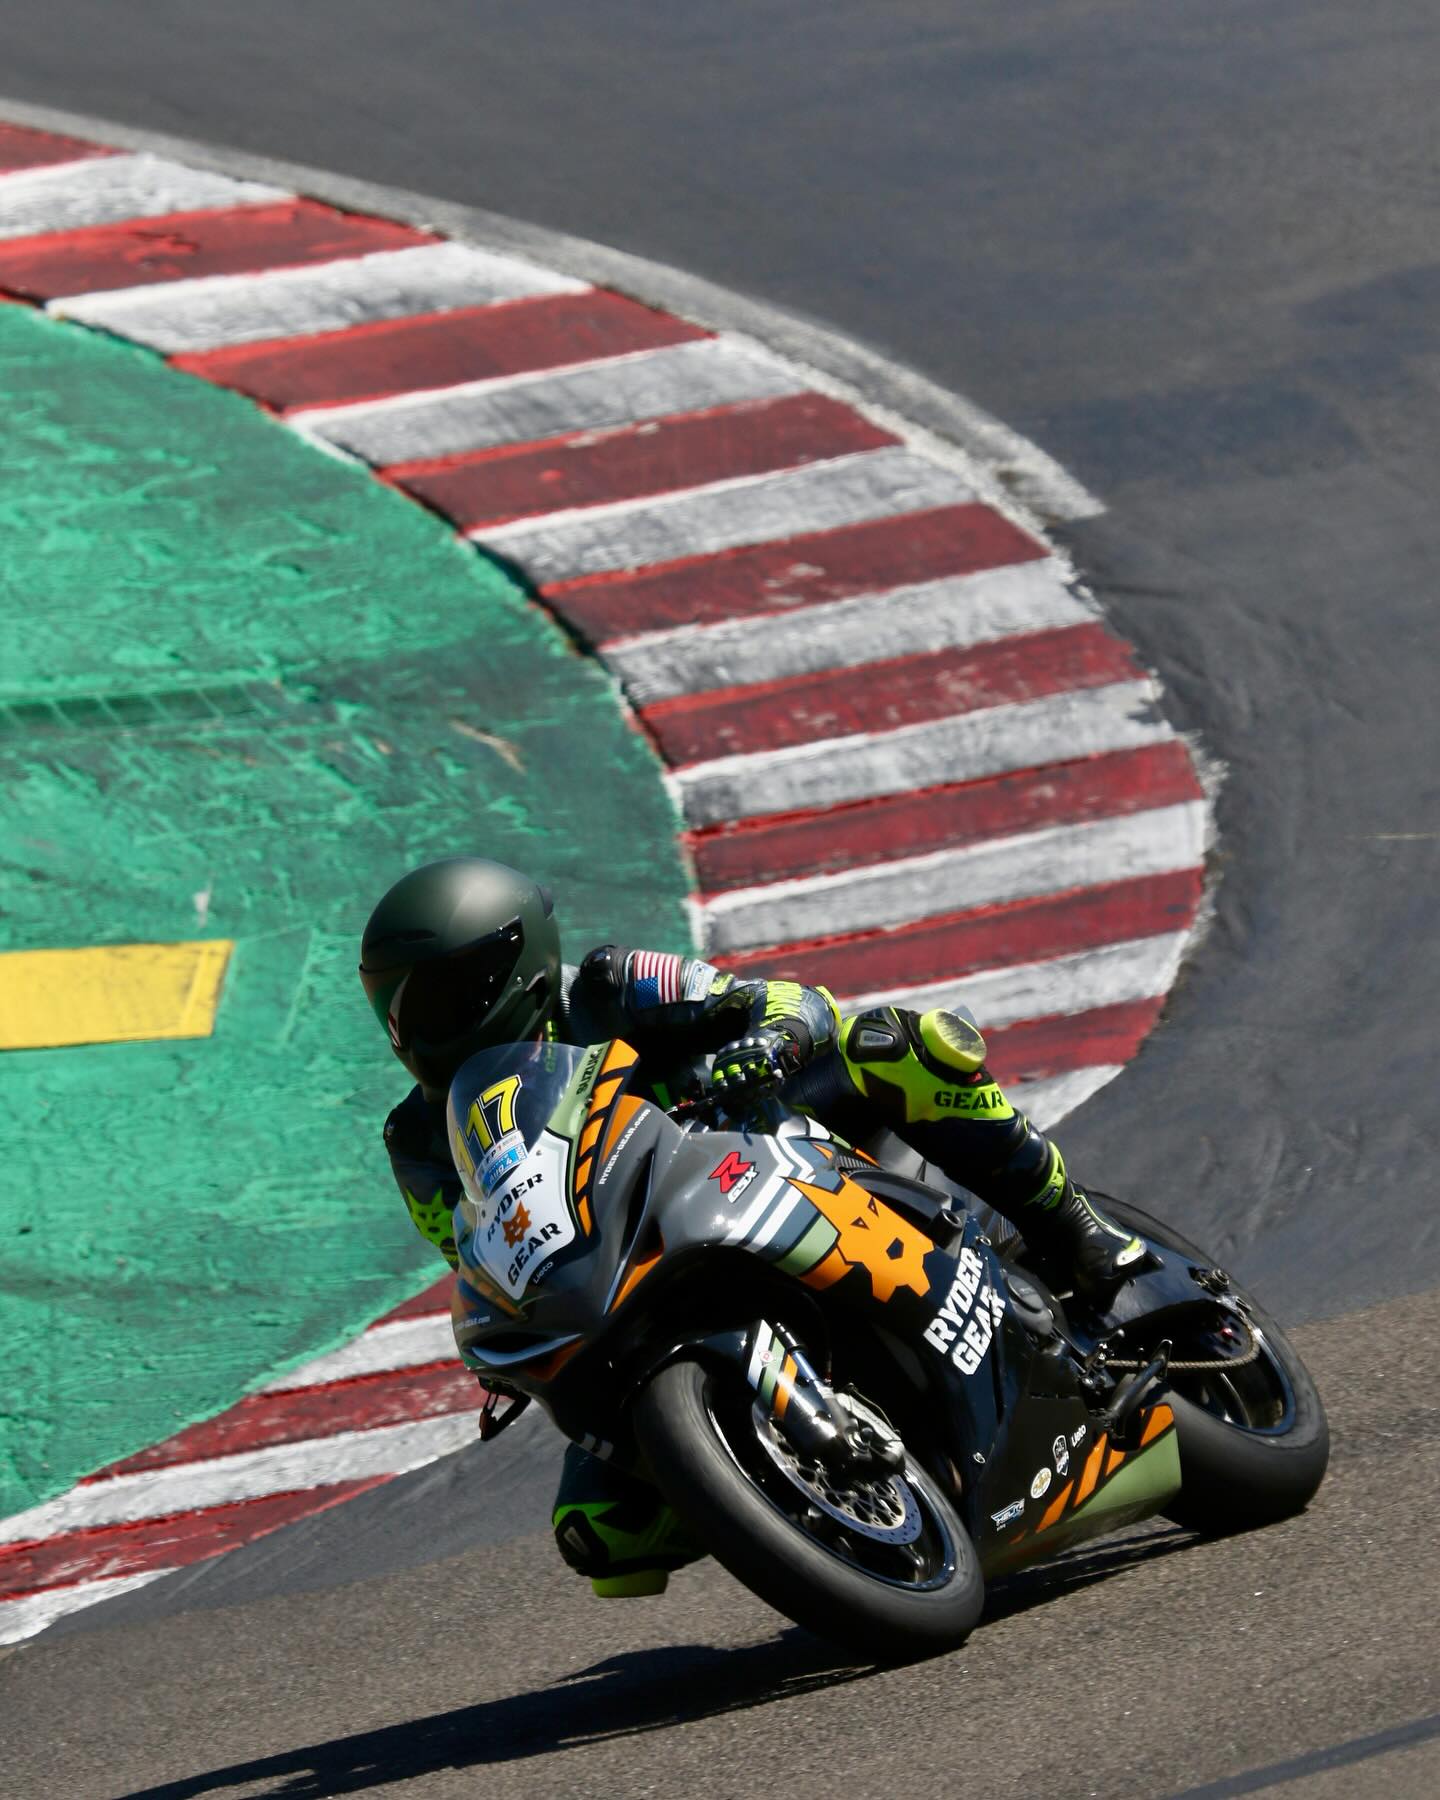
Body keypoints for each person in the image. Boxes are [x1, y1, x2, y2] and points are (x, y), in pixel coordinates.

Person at [359, 857, 1144, 1597]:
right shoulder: (419, 1141)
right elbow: (471, 1244)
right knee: (600, 1535)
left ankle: (1074, 1225)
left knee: (898, 1045)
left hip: (777, 1145)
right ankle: (796, 1500)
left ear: (512, 962)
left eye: (432, 999)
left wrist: (768, 1042)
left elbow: (790, 1001)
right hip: (631, 1258)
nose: (412, 1030)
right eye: (393, 1010)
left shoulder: (609, 985)